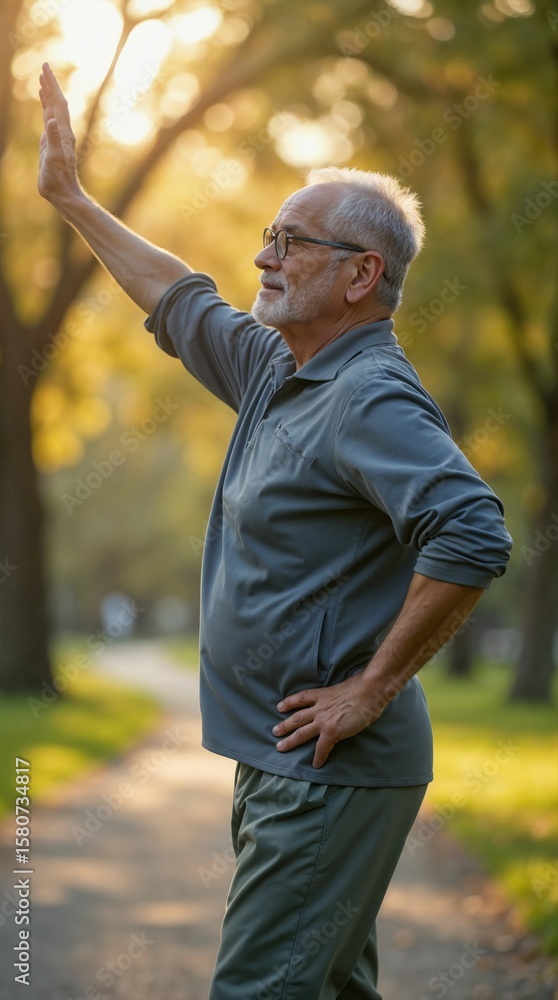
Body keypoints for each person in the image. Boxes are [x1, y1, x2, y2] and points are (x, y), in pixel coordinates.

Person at [38, 62, 512, 1000]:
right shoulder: (279, 368)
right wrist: (72, 199)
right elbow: (178, 296)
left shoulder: (366, 395)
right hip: (285, 761)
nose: (265, 259)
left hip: (330, 767)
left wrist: (368, 691)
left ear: (359, 275)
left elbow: (472, 530)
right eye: (268, 237)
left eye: (290, 243)